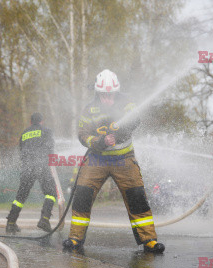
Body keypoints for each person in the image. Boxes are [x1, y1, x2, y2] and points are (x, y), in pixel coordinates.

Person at [62, 69, 165, 254]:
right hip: (96, 159)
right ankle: (75, 238)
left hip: (124, 160)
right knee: (82, 195)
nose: (108, 98)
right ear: (98, 92)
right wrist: (99, 142)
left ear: (116, 91)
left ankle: (149, 240)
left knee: (137, 197)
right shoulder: (89, 108)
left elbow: (134, 120)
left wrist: (116, 135)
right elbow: (82, 134)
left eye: (111, 94)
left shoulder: (126, 102)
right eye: (104, 94)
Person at [6, 112, 57, 233]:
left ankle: (11, 223)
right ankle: (44, 219)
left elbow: (21, 149)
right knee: (51, 193)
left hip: (26, 168)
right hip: (41, 166)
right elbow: (51, 147)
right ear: (41, 121)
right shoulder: (46, 130)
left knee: (20, 196)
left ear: (30, 122)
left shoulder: (24, 133)